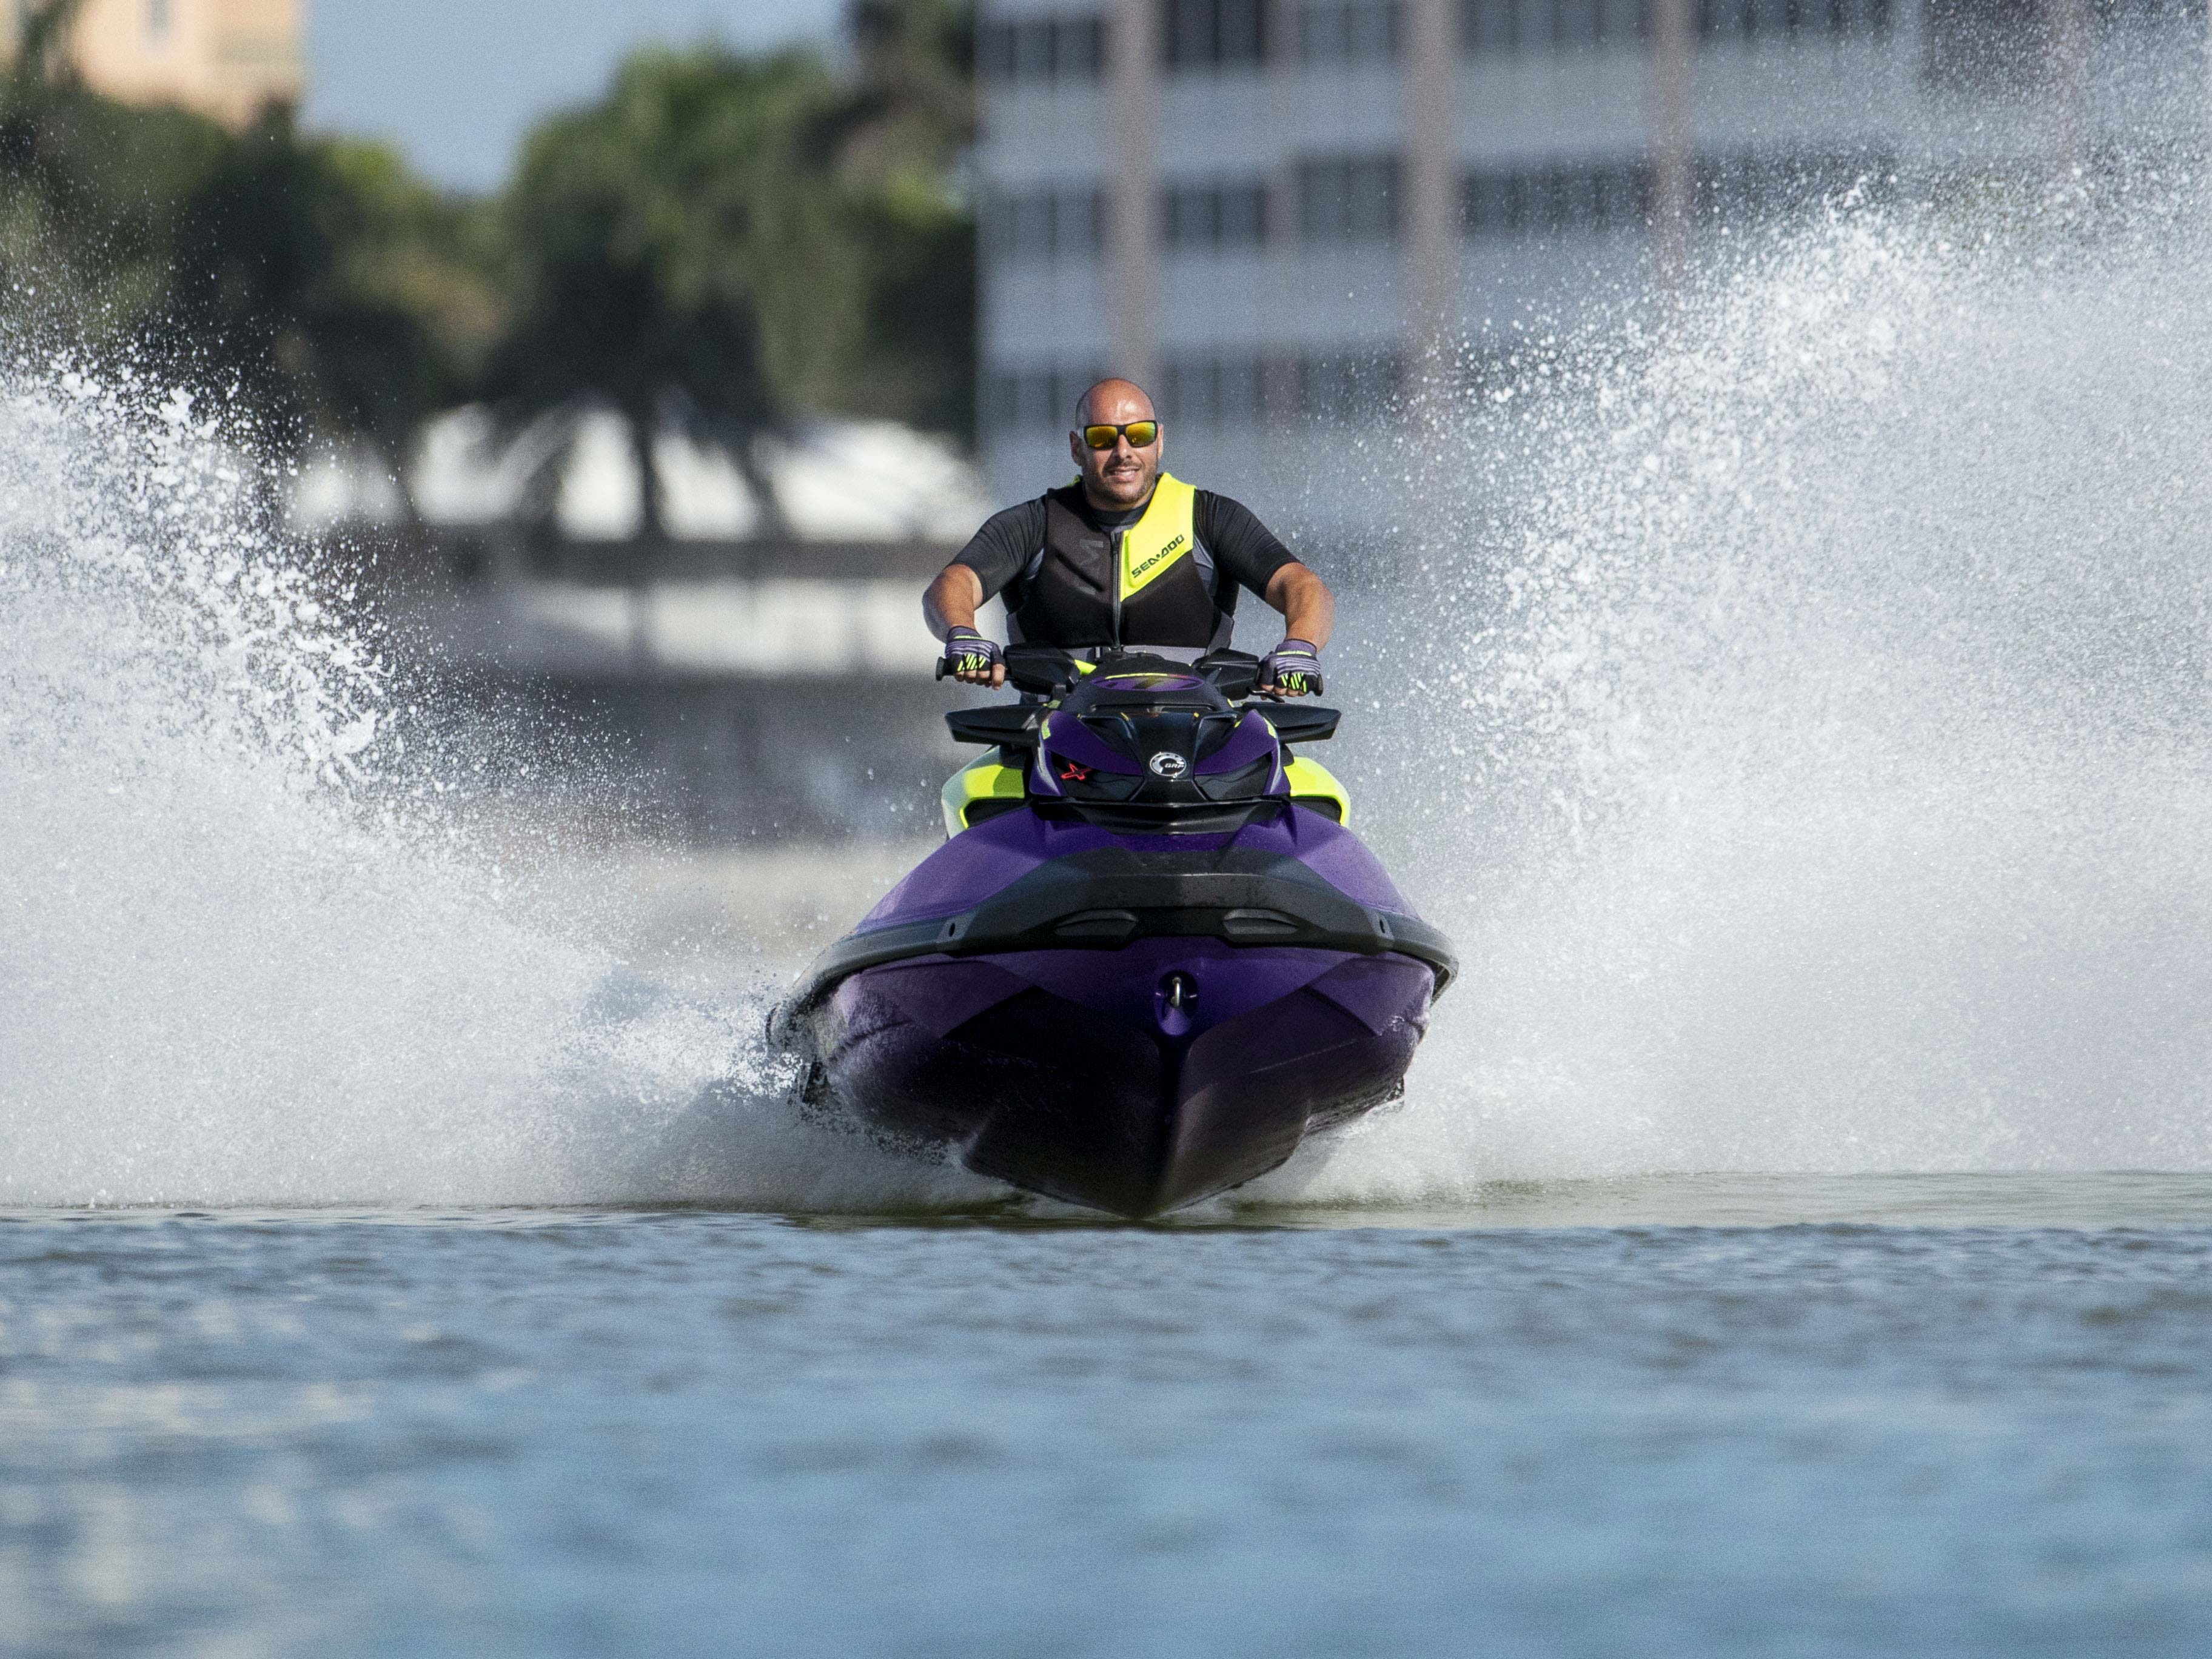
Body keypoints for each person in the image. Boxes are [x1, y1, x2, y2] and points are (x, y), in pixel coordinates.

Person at [923, 377, 1333, 695]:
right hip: (1056, 733)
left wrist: (1299, 648)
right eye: (1102, 438)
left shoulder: (1212, 518)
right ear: (1076, 448)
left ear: (1159, 440)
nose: (1123, 451)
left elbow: (1301, 585)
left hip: (1198, 731)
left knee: (1304, 787)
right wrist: (963, 634)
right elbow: (954, 583)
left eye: (1138, 435)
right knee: (977, 795)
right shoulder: (1033, 524)